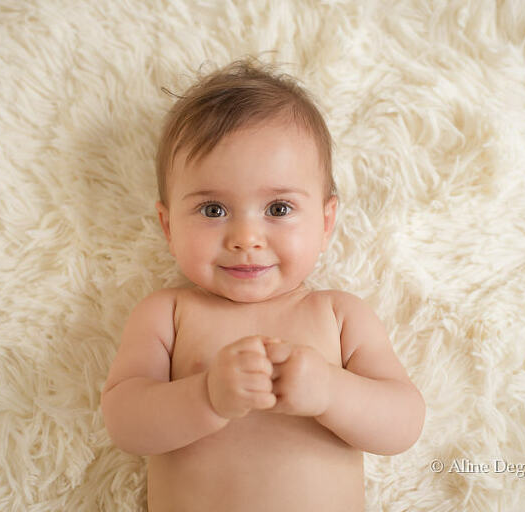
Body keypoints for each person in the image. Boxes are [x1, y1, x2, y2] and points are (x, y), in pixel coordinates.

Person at [101, 57, 426, 512]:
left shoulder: (338, 315)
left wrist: (331, 391)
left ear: (326, 221)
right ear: (169, 226)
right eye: (213, 210)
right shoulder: (167, 315)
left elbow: (403, 424)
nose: (246, 240)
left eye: (277, 209)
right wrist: (206, 396)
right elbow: (125, 423)